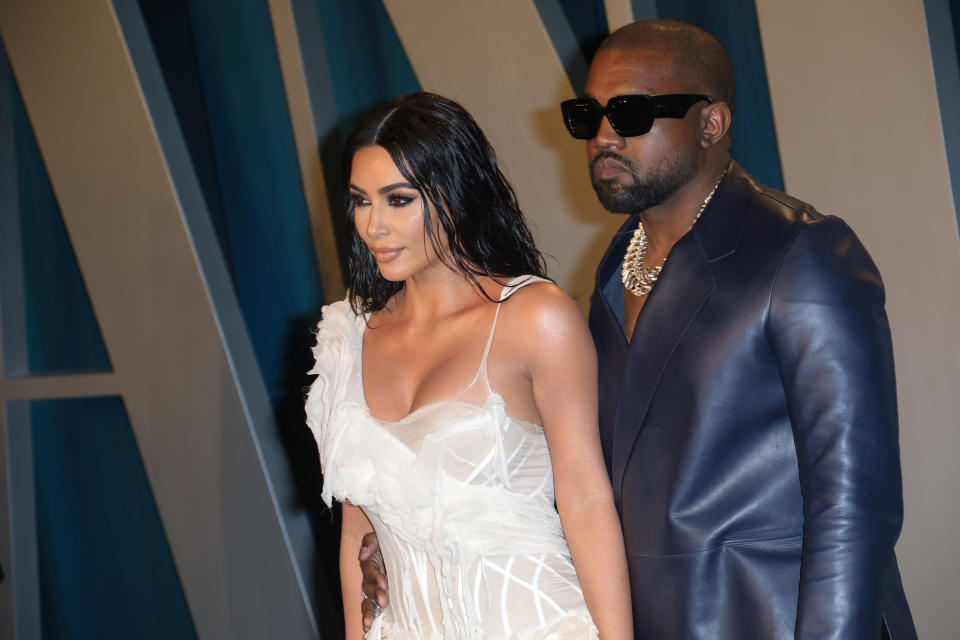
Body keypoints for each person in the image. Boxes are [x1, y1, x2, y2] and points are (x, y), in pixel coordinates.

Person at [362, 20, 917, 640]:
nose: (603, 135)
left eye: (628, 112)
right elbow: (577, 484)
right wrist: (410, 546)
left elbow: (855, 507)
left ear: (712, 123)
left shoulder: (800, 253)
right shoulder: (609, 273)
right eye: (587, 115)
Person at [305, 91, 632, 639]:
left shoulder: (534, 317)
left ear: (454, 194)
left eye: (399, 200)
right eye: (361, 201)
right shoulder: (348, 337)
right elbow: (354, 532)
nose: (373, 227)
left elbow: (586, 499)